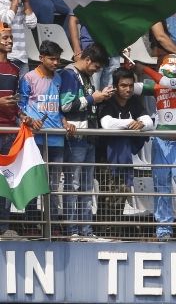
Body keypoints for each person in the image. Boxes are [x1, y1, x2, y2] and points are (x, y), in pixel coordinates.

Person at [133, 54, 176, 240]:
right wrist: (128, 68)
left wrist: (144, 69)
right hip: (160, 141)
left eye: (175, 66)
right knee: (161, 186)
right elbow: (133, 88)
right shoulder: (157, 87)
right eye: (169, 65)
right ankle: (163, 230)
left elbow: (167, 81)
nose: (172, 68)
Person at [59, 43, 113, 241]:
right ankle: (71, 229)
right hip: (76, 137)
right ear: (88, 59)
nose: (97, 70)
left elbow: (89, 102)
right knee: (73, 185)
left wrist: (102, 97)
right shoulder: (68, 74)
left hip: (90, 135)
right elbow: (65, 105)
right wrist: (93, 99)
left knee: (87, 186)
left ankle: (86, 230)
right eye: (96, 66)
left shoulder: (86, 76)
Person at [18, 41, 72, 236]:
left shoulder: (59, 78)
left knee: (53, 185)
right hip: (35, 138)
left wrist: (65, 121)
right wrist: (29, 120)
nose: (55, 62)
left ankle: (53, 225)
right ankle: (31, 224)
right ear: (41, 58)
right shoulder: (29, 78)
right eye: (52, 58)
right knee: (32, 181)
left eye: (58, 59)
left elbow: (59, 108)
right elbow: (20, 106)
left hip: (56, 139)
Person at [98, 68, 153, 236]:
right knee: (107, 196)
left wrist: (141, 124)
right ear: (115, 86)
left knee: (122, 192)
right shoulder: (107, 101)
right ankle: (103, 232)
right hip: (104, 159)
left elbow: (148, 120)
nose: (128, 89)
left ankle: (113, 232)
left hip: (125, 159)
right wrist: (131, 123)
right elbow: (106, 123)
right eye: (123, 85)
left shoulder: (135, 102)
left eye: (130, 86)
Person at [0, 27, 24, 238]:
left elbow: (17, 102)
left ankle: (3, 227)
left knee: (6, 181)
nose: (10, 41)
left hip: (9, 131)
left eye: (11, 38)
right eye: (5, 38)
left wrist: (23, 116)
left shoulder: (15, 69)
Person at [67, 14, 121, 90]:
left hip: (113, 50)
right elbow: (73, 18)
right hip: (93, 50)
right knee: (93, 91)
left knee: (109, 93)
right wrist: (77, 50)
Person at [1, 0, 36, 79]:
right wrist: (15, 1)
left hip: (22, 57)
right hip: (6, 56)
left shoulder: (22, 0)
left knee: (23, 94)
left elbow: (32, 24)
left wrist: (26, 2)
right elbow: (5, 23)